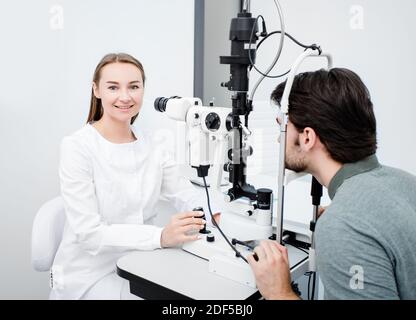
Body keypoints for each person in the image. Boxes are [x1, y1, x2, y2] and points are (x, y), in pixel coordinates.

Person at [50, 53, 217, 300]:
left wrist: (215, 214)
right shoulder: (77, 147)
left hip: (142, 262)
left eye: (134, 87)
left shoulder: (155, 143)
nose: (125, 96)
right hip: (90, 273)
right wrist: (160, 236)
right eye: (113, 87)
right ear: (96, 90)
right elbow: (89, 234)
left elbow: (183, 193)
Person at [247, 68, 416, 300]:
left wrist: (280, 293)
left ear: (307, 137)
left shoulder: (342, 225)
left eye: (282, 127)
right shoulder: (406, 182)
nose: (278, 138)